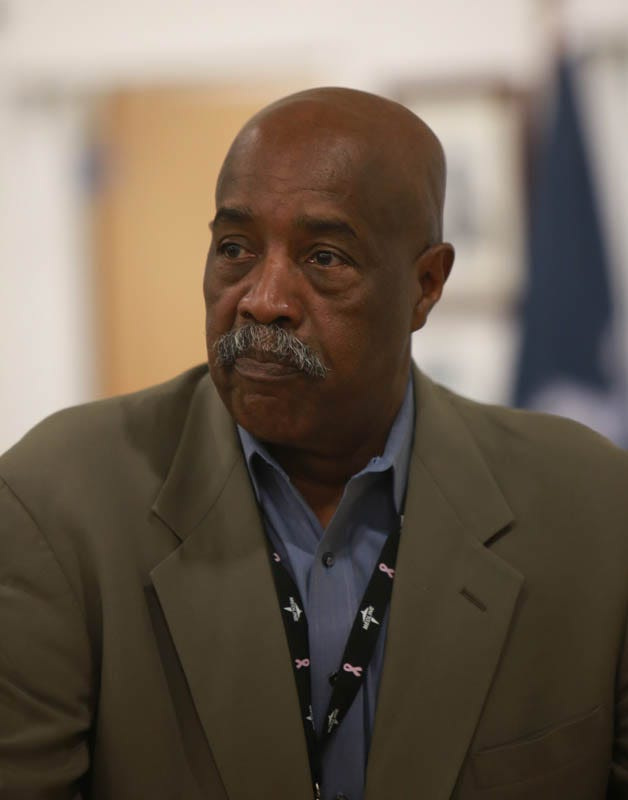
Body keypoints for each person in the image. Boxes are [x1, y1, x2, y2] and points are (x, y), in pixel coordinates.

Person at [1, 87, 627, 800]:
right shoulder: (54, 507)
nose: (262, 298)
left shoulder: (597, 513)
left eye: (324, 257)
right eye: (234, 247)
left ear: (427, 285)